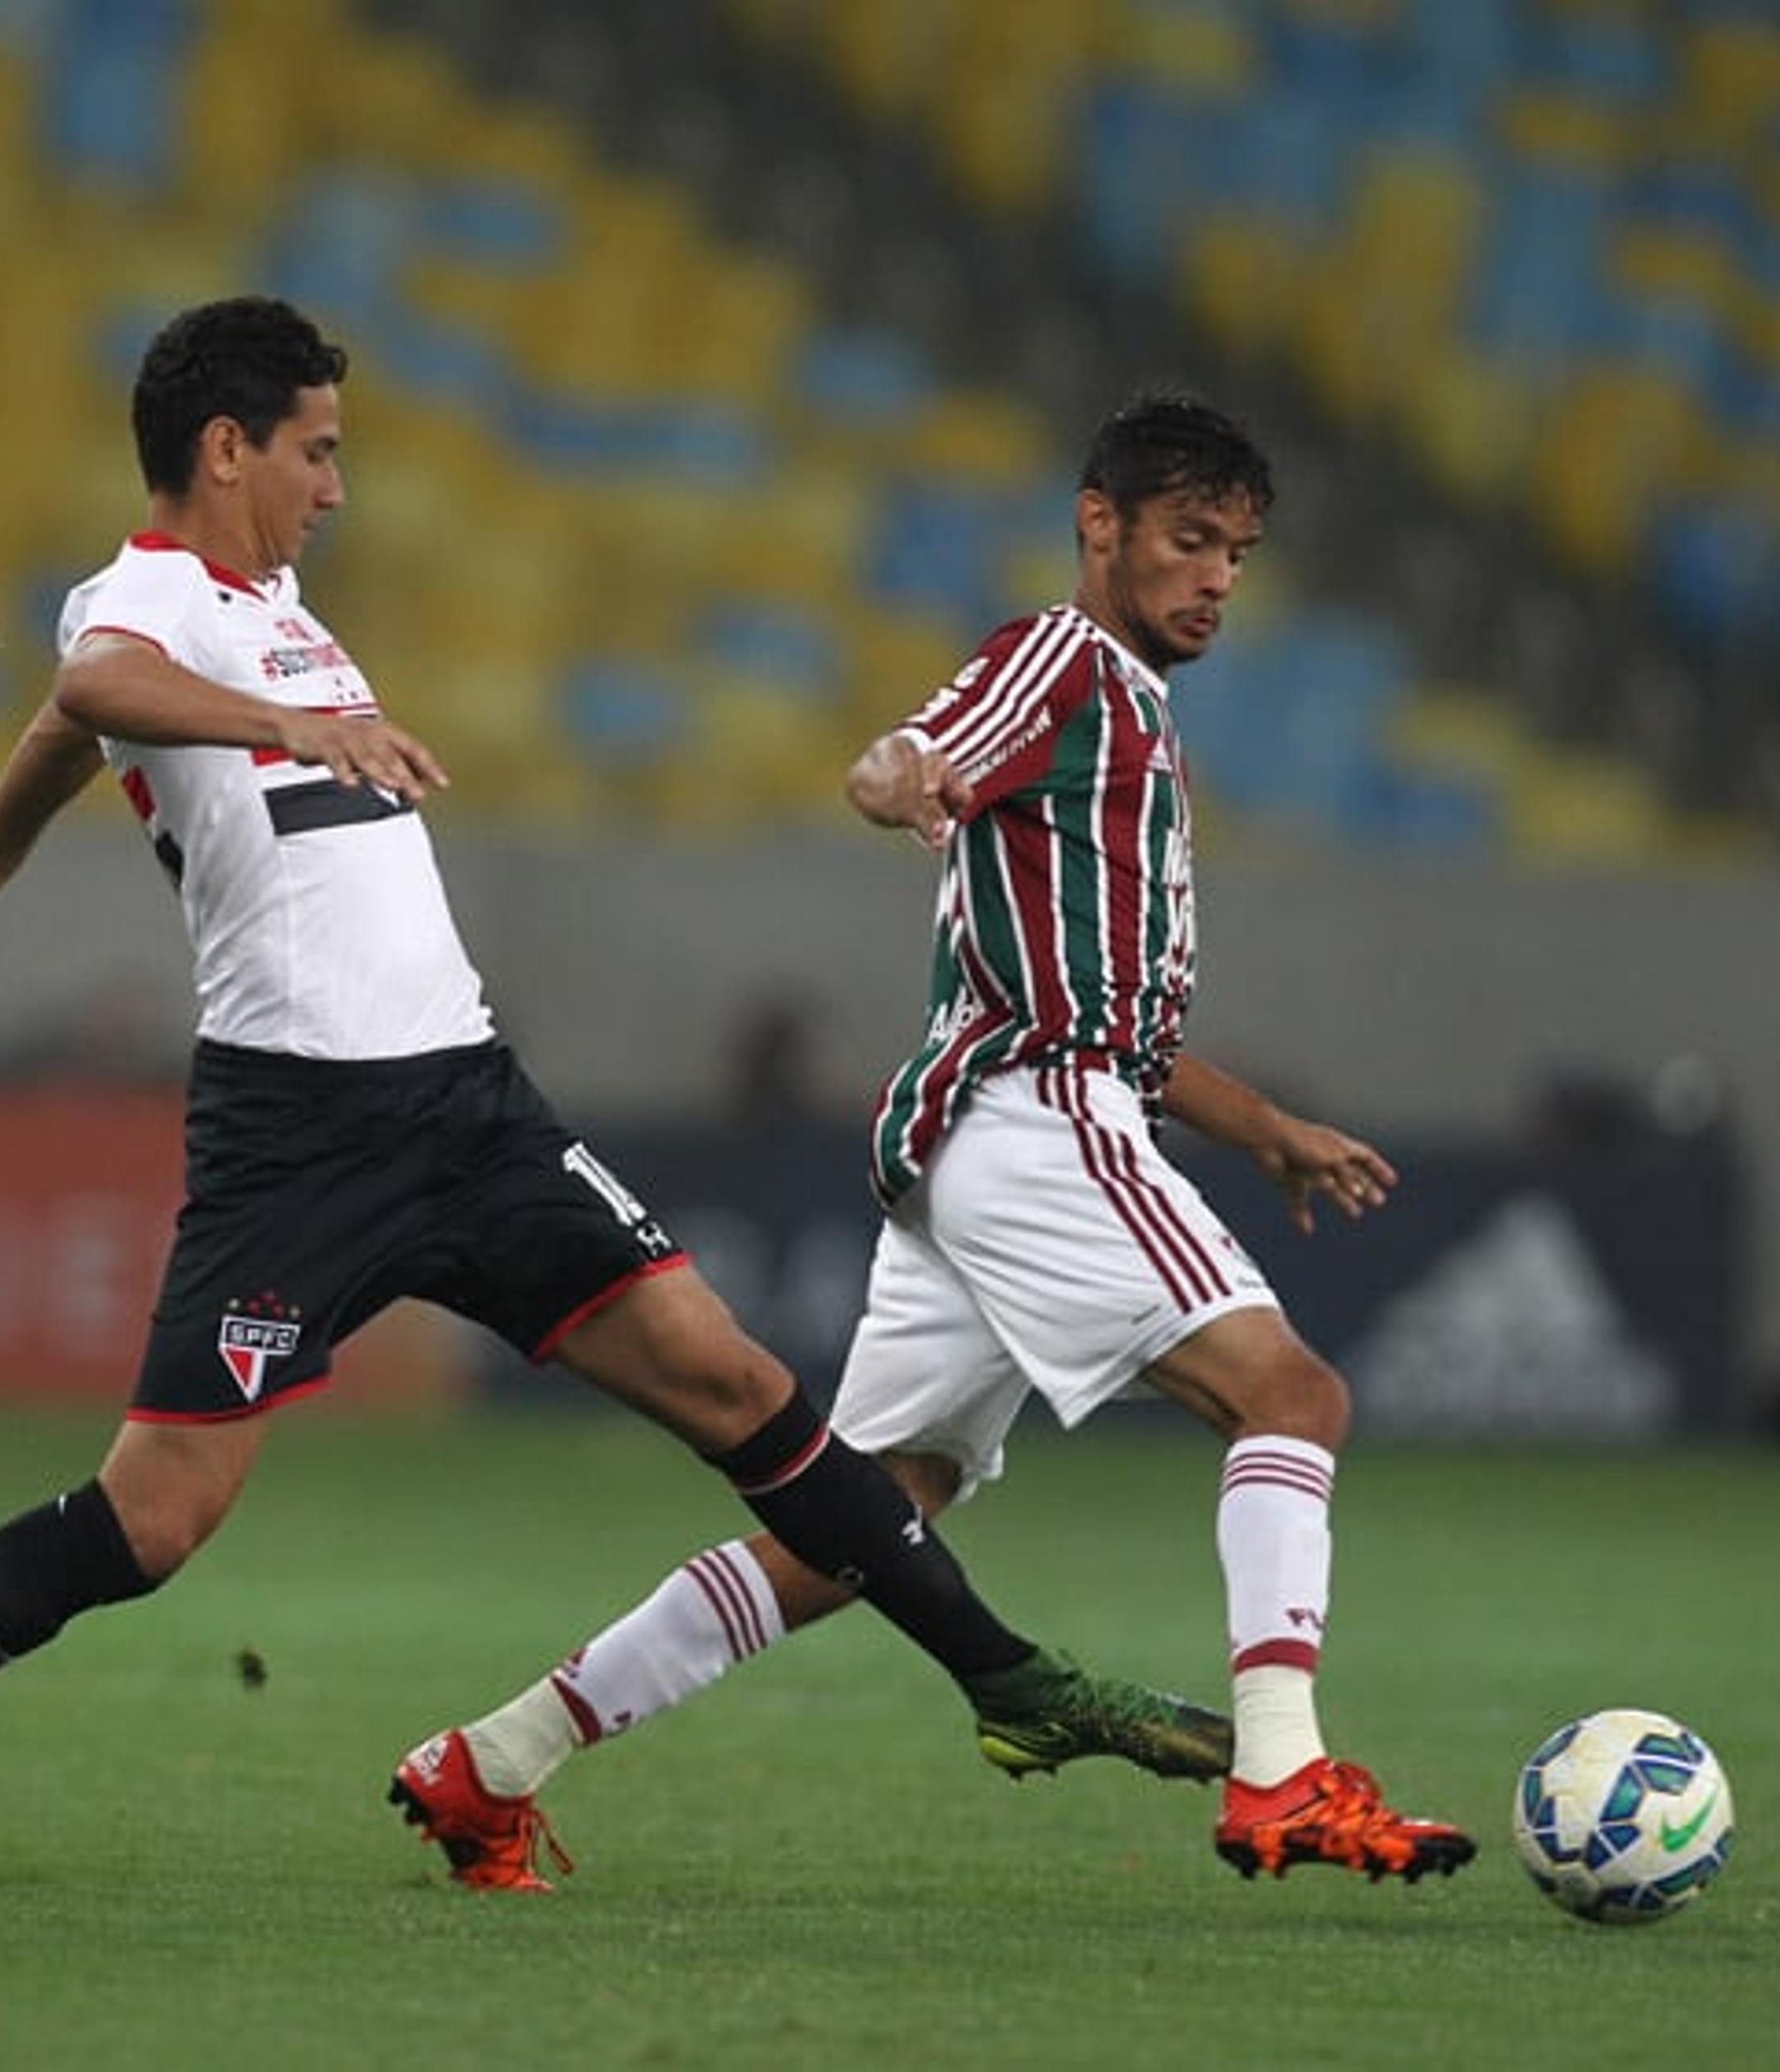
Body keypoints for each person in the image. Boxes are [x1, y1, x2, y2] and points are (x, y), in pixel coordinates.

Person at [0, 296, 1219, 1892]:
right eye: (316, 452)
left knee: (734, 1385)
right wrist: (284, 722)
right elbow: (99, 680)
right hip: (299, 1132)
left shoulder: (280, 604)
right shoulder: (150, 592)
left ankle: (1009, 1683)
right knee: (155, 1522)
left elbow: (67, 726)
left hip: (469, 1103)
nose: (335, 486)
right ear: (225, 447)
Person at [395, 394, 1477, 1890]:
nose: (1218, 574)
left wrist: (1267, 1129)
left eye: (1237, 548)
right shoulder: (1064, 657)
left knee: (864, 1520)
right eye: (1188, 537)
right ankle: (1283, 1774)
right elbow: (904, 758)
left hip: (988, 1131)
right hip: (1036, 1124)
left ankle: (492, 1760)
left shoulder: (1132, 714)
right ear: (1101, 525)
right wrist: (899, 778)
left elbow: (1118, 1022)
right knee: (1291, 1394)